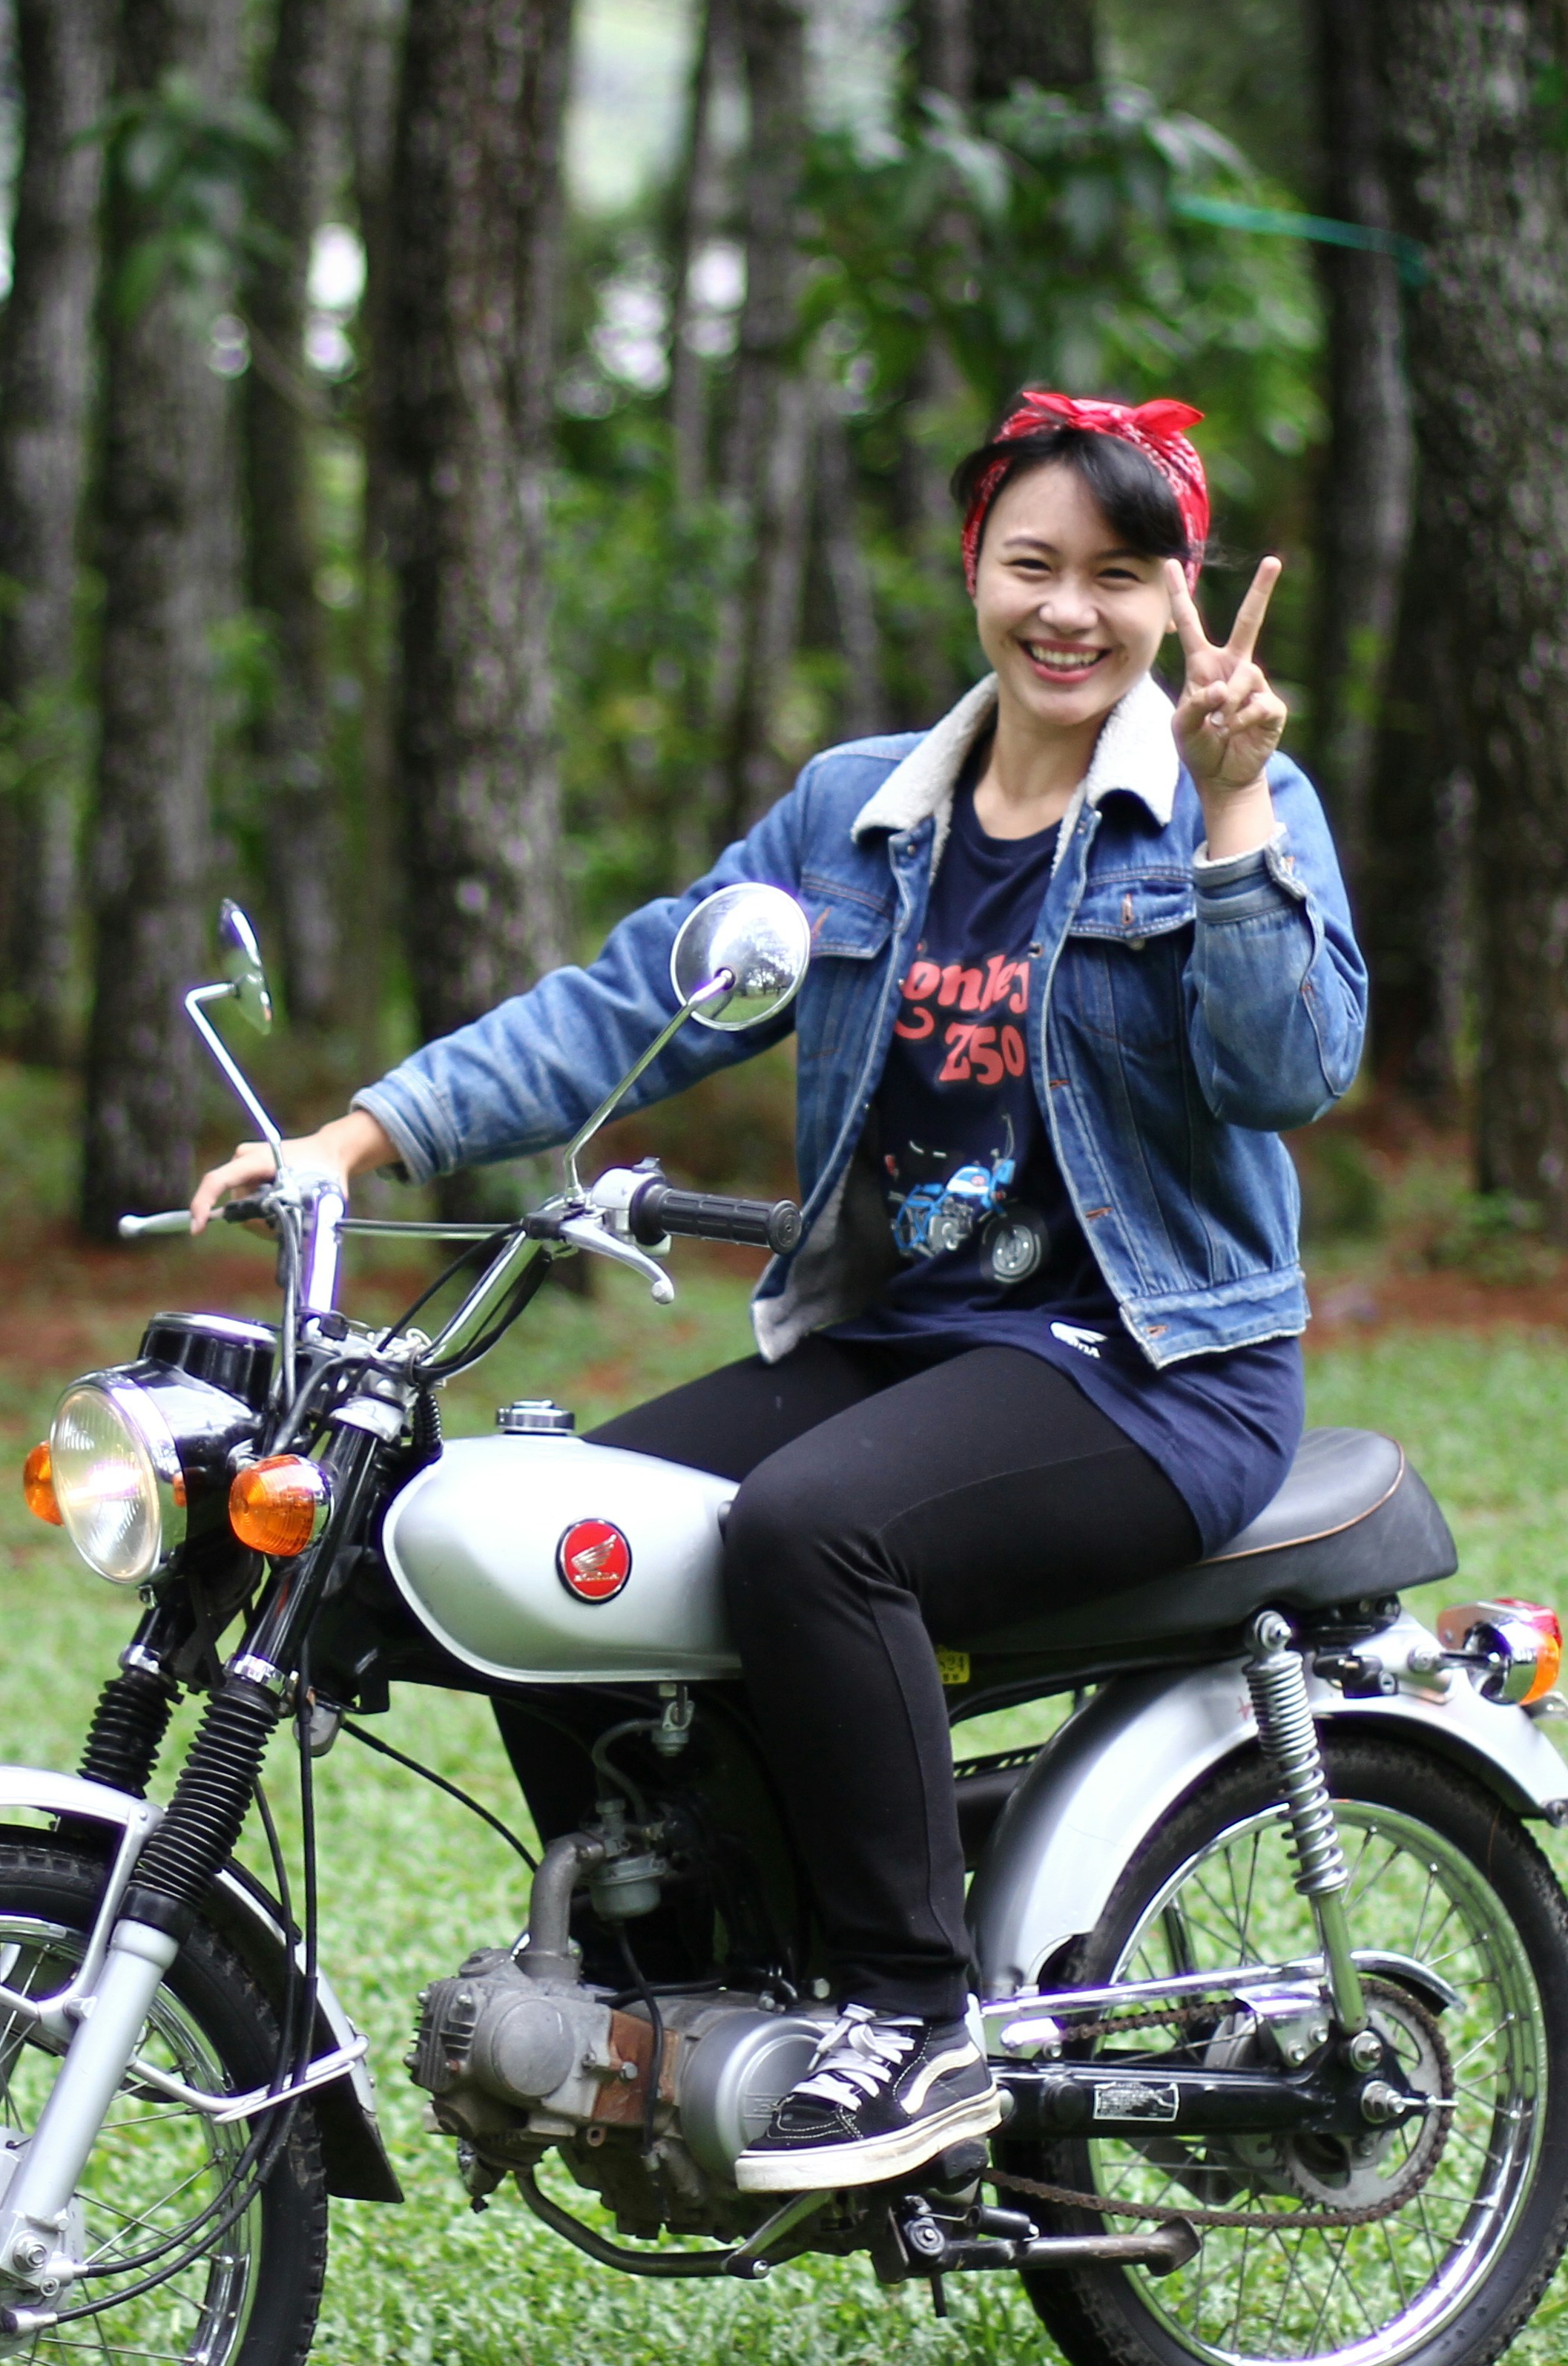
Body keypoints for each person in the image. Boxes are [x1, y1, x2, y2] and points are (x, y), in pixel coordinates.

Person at [188, 390, 1367, 2195]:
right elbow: (630, 998)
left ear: (1180, 597)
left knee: (819, 1536)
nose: (1071, 613)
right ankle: (685, 1999)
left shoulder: (1230, 806)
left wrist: (1226, 810)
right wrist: (365, 1134)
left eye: (1120, 578)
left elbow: (1289, 1072)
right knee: (530, 1538)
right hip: (902, 1343)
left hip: (1156, 1364)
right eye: (1033, 563)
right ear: (972, 564)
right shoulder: (853, 816)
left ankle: (914, 2018)